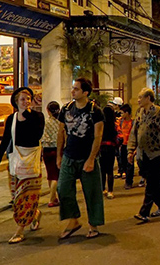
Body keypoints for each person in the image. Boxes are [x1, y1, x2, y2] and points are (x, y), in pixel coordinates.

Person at [0, 87, 45, 244]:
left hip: (31, 162)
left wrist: (26, 117)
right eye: (22, 99)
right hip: (16, 162)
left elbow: (37, 134)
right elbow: (6, 140)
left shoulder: (37, 116)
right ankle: (34, 214)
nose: (26, 101)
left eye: (28, 98)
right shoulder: (11, 119)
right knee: (16, 198)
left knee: (27, 197)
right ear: (16, 102)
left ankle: (19, 230)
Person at [57, 78, 105, 240]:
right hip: (69, 156)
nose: (73, 91)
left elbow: (98, 136)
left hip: (87, 157)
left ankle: (94, 225)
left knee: (92, 192)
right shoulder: (66, 109)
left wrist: (91, 159)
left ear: (85, 93)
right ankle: (73, 220)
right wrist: (59, 155)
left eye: (76, 89)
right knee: (62, 189)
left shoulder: (94, 111)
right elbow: (60, 133)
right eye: (73, 88)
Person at [128, 88, 160, 223]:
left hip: (157, 153)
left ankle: (144, 212)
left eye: (140, 97)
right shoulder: (139, 112)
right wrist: (131, 149)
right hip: (142, 154)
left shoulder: (159, 113)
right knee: (154, 182)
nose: (138, 100)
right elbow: (134, 132)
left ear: (148, 98)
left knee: (151, 183)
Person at [101, 100, 122, 199]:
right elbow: (119, 137)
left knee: (102, 170)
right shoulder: (114, 124)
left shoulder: (100, 125)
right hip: (111, 148)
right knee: (110, 170)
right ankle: (110, 191)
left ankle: (102, 189)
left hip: (101, 148)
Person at [42, 101, 61, 207]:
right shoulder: (60, 122)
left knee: (50, 175)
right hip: (56, 150)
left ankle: (54, 197)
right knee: (55, 176)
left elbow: (43, 137)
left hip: (46, 150)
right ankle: (51, 199)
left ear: (48, 111)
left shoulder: (46, 122)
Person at [118, 104, 135, 190]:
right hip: (123, 144)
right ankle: (125, 174)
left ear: (127, 113)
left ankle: (129, 181)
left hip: (130, 145)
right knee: (123, 161)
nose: (121, 115)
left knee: (130, 163)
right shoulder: (121, 121)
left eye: (122, 113)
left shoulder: (133, 122)